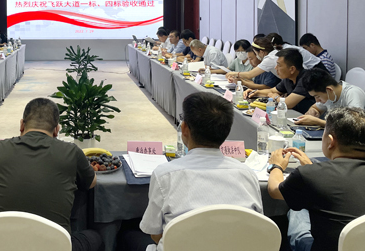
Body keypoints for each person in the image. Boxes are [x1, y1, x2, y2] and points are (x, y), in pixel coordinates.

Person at [0, 98, 102, 251]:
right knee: (95, 237)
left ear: (21, 125)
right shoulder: (71, 151)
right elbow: (91, 182)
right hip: (53, 246)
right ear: (56, 130)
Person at [140, 93, 263, 251]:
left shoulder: (165, 174)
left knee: (128, 236)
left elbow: (154, 232)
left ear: (184, 129)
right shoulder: (247, 174)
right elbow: (258, 228)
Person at [267, 107, 365, 251]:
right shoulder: (313, 173)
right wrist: (312, 168)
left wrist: (276, 166)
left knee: (297, 209)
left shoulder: (310, 175)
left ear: (330, 141)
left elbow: (275, 190)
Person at [247, 49, 315, 113]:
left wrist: (276, 97)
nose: (275, 68)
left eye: (279, 65)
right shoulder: (288, 78)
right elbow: (273, 91)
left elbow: (287, 103)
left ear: (292, 69)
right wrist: (255, 92)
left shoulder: (307, 78)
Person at [295, 68, 365, 127]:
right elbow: (316, 107)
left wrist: (318, 122)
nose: (317, 100)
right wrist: (313, 111)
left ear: (329, 90)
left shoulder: (352, 93)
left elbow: (354, 124)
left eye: (317, 96)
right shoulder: (330, 96)